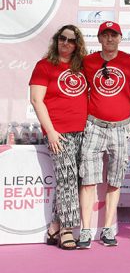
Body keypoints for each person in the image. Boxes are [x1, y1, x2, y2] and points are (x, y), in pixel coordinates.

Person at [77, 21, 130, 248]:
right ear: (99, 38)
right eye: (105, 35)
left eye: (114, 35)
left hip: (120, 128)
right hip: (93, 126)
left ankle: (108, 228)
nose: (110, 39)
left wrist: (124, 106)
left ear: (120, 38)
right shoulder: (88, 62)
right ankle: (85, 230)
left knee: (115, 179)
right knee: (88, 179)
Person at [29, 25, 88, 250]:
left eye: (71, 40)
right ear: (56, 41)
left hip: (83, 131)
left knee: (75, 181)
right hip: (58, 133)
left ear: (77, 44)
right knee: (67, 180)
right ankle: (66, 230)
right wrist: (51, 131)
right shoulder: (44, 66)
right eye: (62, 39)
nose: (66, 43)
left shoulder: (81, 67)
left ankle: (54, 226)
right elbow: (36, 100)